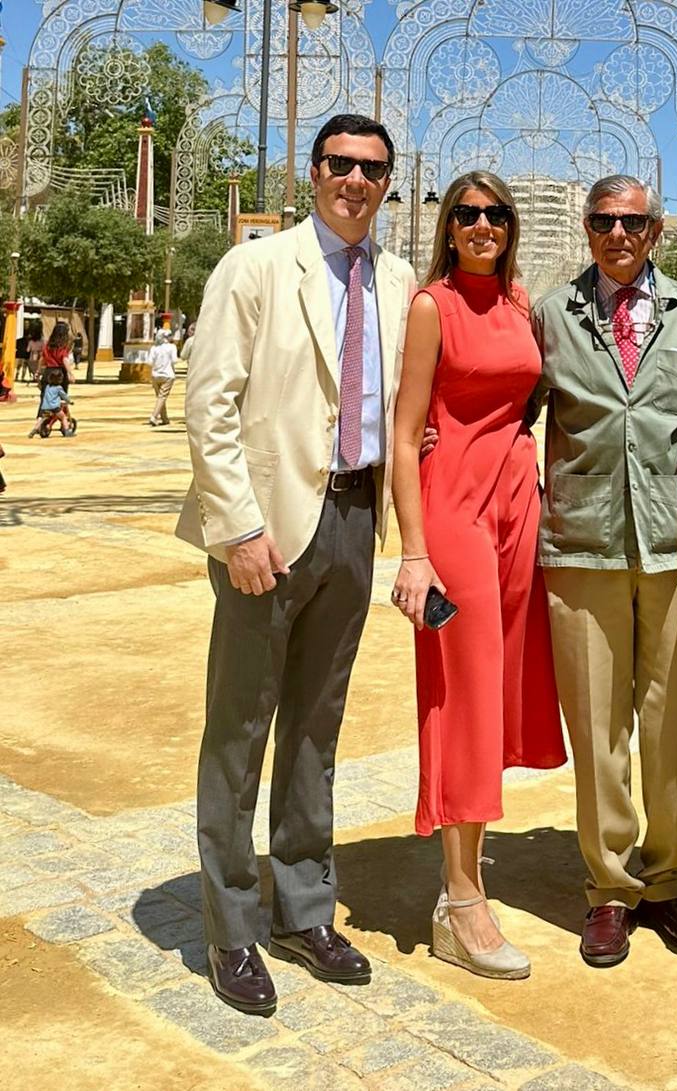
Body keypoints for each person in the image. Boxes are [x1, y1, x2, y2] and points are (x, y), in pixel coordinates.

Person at [175, 113, 416, 1016]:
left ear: (389, 182)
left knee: (318, 723)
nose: (356, 180)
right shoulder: (256, 267)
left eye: (373, 168)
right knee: (240, 729)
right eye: (341, 164)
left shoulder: (396, 279)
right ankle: (233, 925)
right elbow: (212, 404)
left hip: (356, 515)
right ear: (314, 172)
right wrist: (237, 528)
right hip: (268, 529)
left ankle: (303, 905)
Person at [529, 174, 677, 967]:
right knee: (598, 724)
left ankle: (669, 879)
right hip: (582, 543)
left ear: (657, 228)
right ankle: (609, 886)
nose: (617, 234)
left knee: (671, 724)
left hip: (673, 546)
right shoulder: (551, 313)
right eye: (603, 220)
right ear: (586, 227)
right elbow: (511, 404)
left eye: (632, 221)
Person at [390, 172, 566, 980]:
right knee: (462, 690)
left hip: (515, 504)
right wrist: (414, 550)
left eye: (496, 214)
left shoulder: (524, 304)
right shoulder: (432, 305)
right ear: (449, 225)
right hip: (453, 514)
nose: (483, 225)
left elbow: (530, 402)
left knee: (495, 692)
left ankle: (468, 871)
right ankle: (460, 900)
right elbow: (404, 434)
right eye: (468, 214)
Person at [29, 366, 74, 437]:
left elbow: (40, 387)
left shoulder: (47, 387)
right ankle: (67, 431)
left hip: (45, 407)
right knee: (63, 417)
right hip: (54, 407)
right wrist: (69, 401)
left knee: (42, 419)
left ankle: (34, 430)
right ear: (60, 380)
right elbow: (64, 396)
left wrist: (38, 381)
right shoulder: (59, 388)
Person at [148, 329, 178, 426]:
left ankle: (165, 418)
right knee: (162, 397)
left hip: (155, 375)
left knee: (160, 397)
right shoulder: (172, 347)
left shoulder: (154, 348)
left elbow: (149, 362)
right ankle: (154, 416)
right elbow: (174, 360)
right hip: (168, 375)